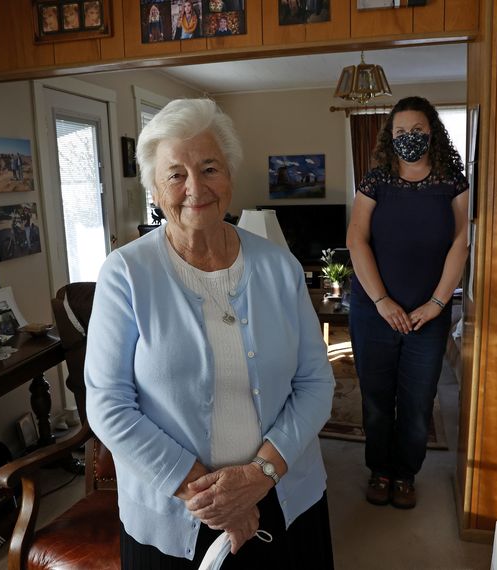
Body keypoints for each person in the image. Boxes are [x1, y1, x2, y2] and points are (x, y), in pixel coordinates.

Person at [84, 98, 335, 568]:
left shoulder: (279, 267)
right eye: (175, 174)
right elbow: (107, 405)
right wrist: (214, 499)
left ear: (231, 177)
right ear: (155, 190)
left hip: (285, 497)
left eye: (209, 168)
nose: (194, 187)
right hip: (174, 511)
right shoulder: (125, 274)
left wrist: (260, 475)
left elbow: (316, 383)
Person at [346, 96, 469, 509]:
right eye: (400, 132)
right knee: (377, 400)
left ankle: (405, 474)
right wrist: (381, 301)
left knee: (417, 401)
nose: (408, 138)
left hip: (428, 315)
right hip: (374, 311)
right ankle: (379, 470)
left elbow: (461, 242)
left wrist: (437, 303)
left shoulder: (453, 180)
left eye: (416, 130)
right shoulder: (376, 179)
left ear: (431, 131)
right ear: (389, 136)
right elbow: (356, 238)